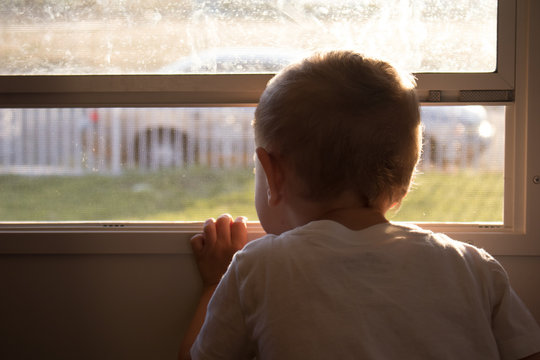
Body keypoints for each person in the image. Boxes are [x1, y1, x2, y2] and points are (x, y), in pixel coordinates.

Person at [179, 51, 540, 359]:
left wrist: (215, 280)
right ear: (403, 183)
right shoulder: (472, 266)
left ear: (273, 174)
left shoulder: (256, 269)